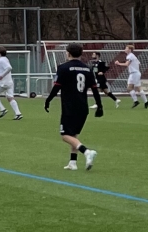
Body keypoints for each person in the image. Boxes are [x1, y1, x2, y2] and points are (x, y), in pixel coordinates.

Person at [45, 41, 105, 170]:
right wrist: (99, 105)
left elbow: (57, 87)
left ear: (68, 53)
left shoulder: (63, 68)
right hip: (83, 107)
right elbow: (95, 89)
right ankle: (73, 163)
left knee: (65, 135)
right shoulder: (87, 69)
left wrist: (48, 100)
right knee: (73, 135)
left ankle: (87, 152)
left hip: (69, 107)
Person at [0, 48, 23, 120]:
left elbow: (9, 68)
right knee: (10, 98)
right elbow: (3, 69)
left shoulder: (2, 60)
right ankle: (18, 114)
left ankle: (2, 109)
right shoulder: (4, 59)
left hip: (3, 82)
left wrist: (2, 75)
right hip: (9, 82)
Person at [121, 45, 148, 110]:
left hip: (134, 74)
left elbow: (127, 64)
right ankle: (145, 102)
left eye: (126, 48)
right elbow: (139, 64)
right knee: (137, 88)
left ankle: (137, 101)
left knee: (131, 88)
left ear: (129, 50)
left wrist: (118, 63)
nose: (125, 49)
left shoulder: (130, 56)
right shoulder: (133, 56)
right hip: (135, 73)